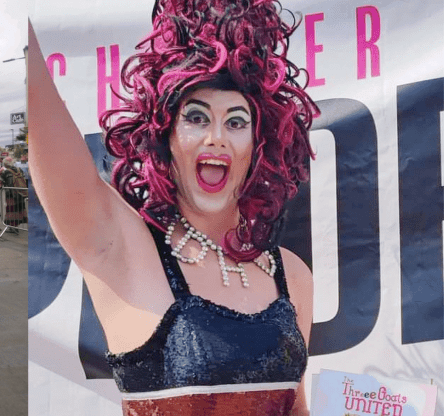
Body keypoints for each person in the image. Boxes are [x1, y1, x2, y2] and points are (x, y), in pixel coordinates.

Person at [29, 0, 316, 414]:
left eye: (235, 122)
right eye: (196, 118)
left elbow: (296, 407)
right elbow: (39, 103)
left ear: (259, 144)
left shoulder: (293, 276)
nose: (216, 137)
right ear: (165, 135)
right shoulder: (126, 251)